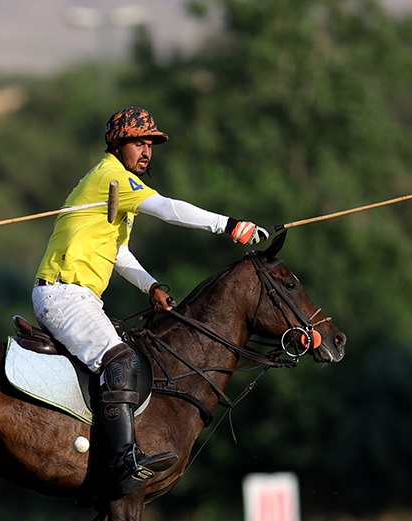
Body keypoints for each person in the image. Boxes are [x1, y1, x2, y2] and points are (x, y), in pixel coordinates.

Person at [32, 107, 269, 498]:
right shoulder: (112, 177)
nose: (147, 151)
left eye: (151, 144)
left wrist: (150, 286)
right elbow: (167, 209)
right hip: (63, 293)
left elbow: (119, 252)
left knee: (126, 360)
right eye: (139, 143)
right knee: (123, 362)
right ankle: (125, 461)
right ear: (117, 144)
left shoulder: (116, 188)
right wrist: (228, 225)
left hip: (76, 295)